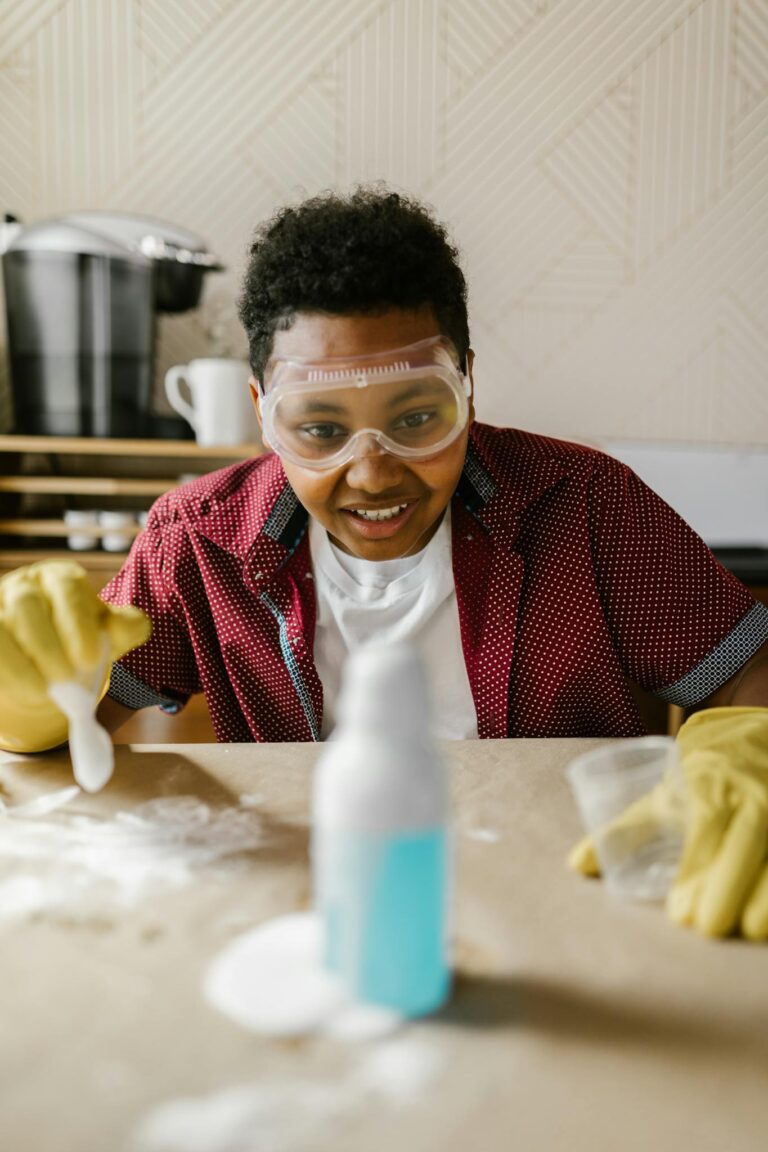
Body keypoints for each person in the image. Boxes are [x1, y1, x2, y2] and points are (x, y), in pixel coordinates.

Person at [1, 186, 767, 752]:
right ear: (263, 413)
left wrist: (743, 757)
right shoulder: (198, 545)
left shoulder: (587, 507)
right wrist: (29, 708)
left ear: (466, 384)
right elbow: (70, 722)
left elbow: (745, 670)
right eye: (320, 429)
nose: (371, 474)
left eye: (415, 419)